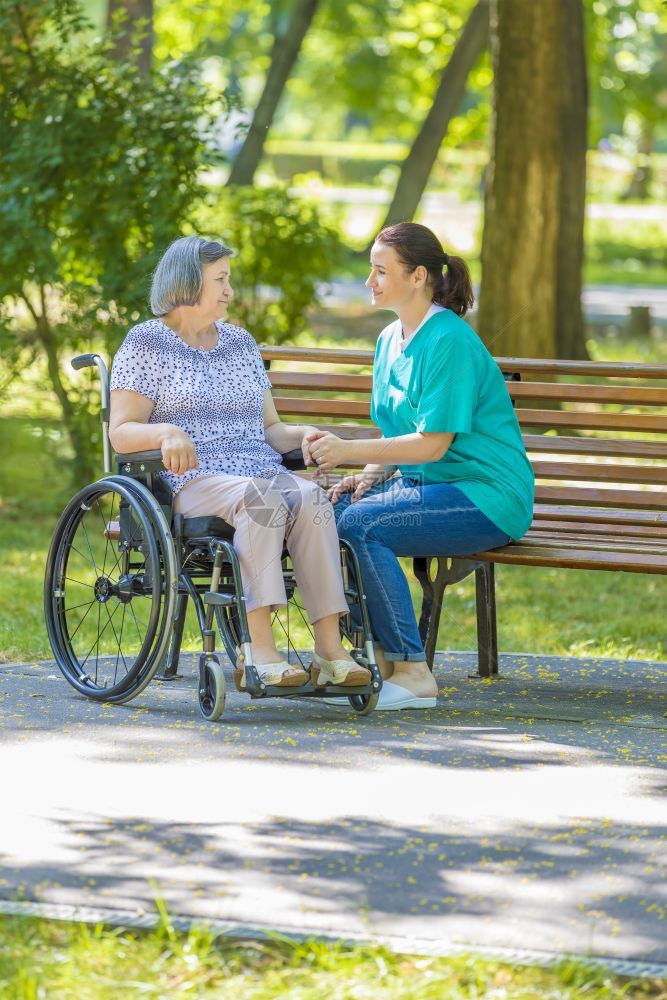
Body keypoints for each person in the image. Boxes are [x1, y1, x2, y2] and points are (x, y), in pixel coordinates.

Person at [108, 236, 371, 690]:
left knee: (311, 497)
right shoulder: (146, 343)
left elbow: (271, 429)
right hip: (192, 478)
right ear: (189, 282)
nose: (230, 289)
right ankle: (261, 649)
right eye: (221, 279)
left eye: (229, 279)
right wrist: (167, 431)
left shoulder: (240, 342)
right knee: (265, 498)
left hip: (257, 469)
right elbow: (121, 431)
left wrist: (303, 435)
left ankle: (330, 651)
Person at [306, 222, 535, 711]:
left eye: (380, 270)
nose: (370, 281)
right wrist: (364, 476)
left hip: (486, 495)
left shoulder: (448, 339)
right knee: (333, 512)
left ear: (418, 277)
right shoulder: (391, 339)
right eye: (371, 270)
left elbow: (432, 445)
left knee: (365, 526)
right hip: (432, 488)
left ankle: (412, 673)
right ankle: (378, 666)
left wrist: (348, 450)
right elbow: (397, 433)